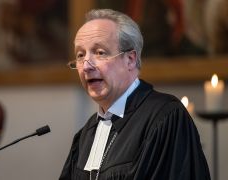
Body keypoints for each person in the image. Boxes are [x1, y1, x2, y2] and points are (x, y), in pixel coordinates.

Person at [59, 9, 210, 180]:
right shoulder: (87, 132)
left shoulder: (165, 117)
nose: (86, 66)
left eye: (100, 52)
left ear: (130, 59)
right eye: (80, 55)